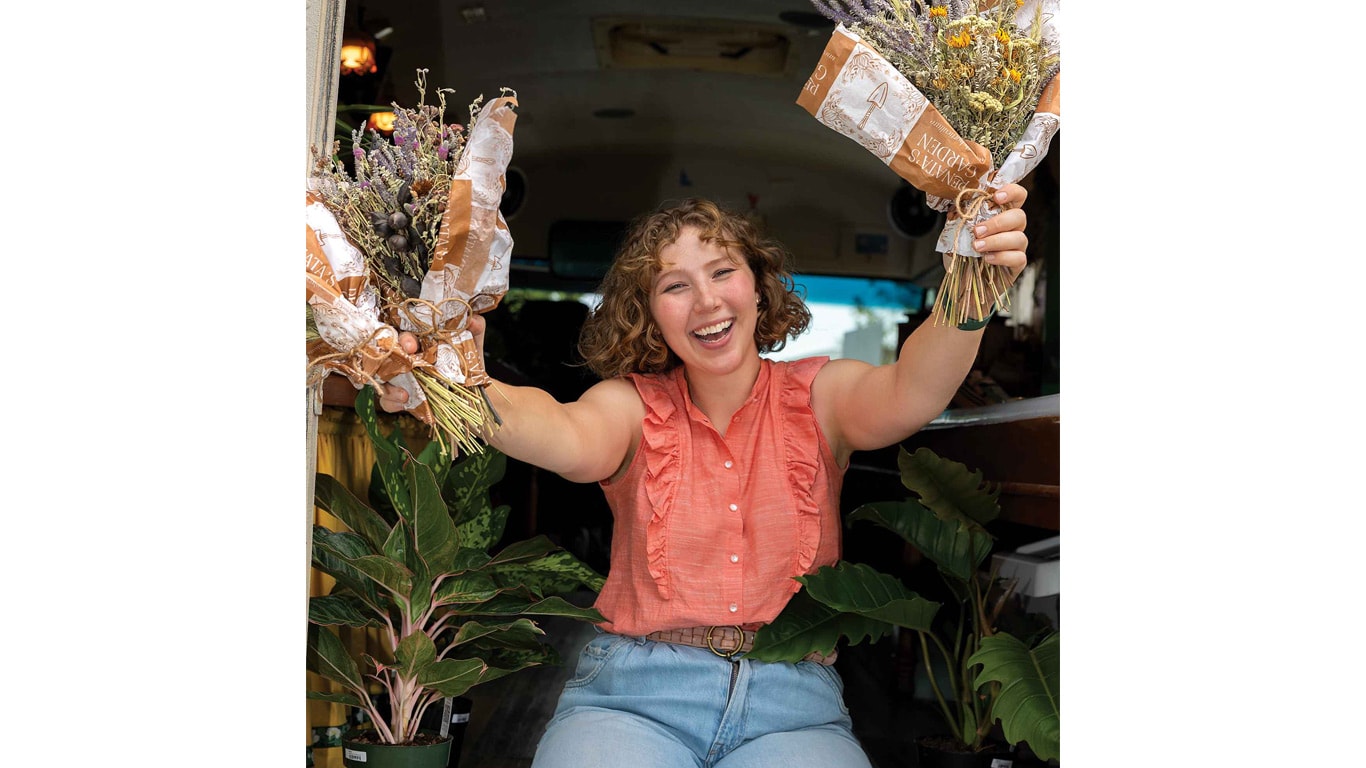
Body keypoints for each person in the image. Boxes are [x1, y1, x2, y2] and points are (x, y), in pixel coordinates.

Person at [379, 185, 1031, 768]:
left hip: (793, 704)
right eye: (674, 286)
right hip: (631, 699)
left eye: (723, 272)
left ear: (757, 284)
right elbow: (557, 429)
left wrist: (972, 279)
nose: (707, 300)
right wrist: (454, 382)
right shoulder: (629, 406)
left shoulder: (824, 395)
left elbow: (914, 388)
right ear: (648, 312)